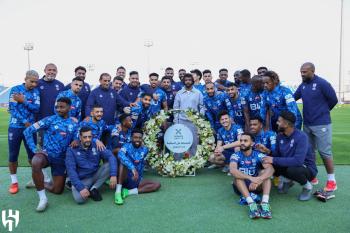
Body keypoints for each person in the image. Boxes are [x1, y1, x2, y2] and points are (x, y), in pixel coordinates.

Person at [23, 97, 78, 212]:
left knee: (57, 190)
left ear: (69, 108)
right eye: (57, 107)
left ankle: (37, 182)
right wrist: (34, 149)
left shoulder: (74, 123)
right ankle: (42, 199)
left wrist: (76, 140)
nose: (58, 109)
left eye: (62, 107)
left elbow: (76, 139)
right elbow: (28, 131)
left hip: (61, 159)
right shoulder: (49, 120)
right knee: (36, 161)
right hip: (47, 155)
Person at [294, 62, 338, 191]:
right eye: (301, 71)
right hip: (307, 124)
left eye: (305, 72)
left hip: (322, 123)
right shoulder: (302, 85)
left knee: (324, 152)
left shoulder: (322, 83)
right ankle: (313, 175)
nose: (302, 74)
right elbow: (293, 98)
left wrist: (323, 111)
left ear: (312, 71)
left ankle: (331, 180)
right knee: (309, 152)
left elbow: (333, 100)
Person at [262, 111, 317, 201]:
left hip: (306, 169)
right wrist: (267, 151)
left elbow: (298, 161)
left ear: (286, 124)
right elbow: (278, 155)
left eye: (279, 121)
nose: (277, 123)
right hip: (290, 165)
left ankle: (307, 187)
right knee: (265, 161)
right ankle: (287, 181)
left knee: (292, 169)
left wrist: (273, 160)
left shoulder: (301, 137)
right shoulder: (280, 136)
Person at [7, 70, 40, 194]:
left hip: (30, 128)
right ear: (25, 78)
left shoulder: (36, 92)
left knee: (33, 155)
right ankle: (14, 182)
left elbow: (36, 108)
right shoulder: (15, 89)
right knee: (13, 155)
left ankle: (35, 178)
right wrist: (25, 120)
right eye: (31, 81)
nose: (34, 84)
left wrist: (24, 101)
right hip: (15, 127)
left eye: (36, 82)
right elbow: (12, 109)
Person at [65, 127, 117, 204]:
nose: (88, 139)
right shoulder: (71, 150)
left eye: (89, 137)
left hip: (95, 174)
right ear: (80, 137)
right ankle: (75, 185)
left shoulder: (96, 145)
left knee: (110, 165)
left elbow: (111, 156)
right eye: (85, 137)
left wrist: (113, 175)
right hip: (82, 179)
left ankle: (94, 188)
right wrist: (80, 188)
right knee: (80, 199)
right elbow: (71, 170)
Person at [230, 133, 274, 219]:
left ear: (252, 143)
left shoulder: (258, 155)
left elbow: (271, 169)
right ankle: (251, 204)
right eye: (241, 140)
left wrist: (260, 179)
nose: (242, 143)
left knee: (265, 173)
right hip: (241, 187)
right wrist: (251, 178)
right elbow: (233, 170)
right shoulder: (235, 155)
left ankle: (265, 203)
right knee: (237, 176)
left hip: (256, 186)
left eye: (245, 141)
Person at [114, 129, 161, 205]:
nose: (137, 140)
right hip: (125, 177)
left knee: (157, 185)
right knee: (123, 163)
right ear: (131, 138)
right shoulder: (126, 146)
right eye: (135, 137)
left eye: (139, 138)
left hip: (137, 179)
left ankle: (128, 192)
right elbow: (120, 155)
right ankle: (118, 191)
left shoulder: (145, 149)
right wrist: (132, 168)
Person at [173, 73, 205, 156]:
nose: (188, 82)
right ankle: (178, 163)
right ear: (183, 81)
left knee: (194, 143)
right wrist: (176, 121)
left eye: (189, 80)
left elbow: (202, 107)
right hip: (181, 121)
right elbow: (176, 109)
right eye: (186, 80)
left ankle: (192, 163)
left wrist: (200, 120)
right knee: (180, 143)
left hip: (194, 122)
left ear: (193, 81)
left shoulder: (198, 93)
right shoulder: (179, 93)